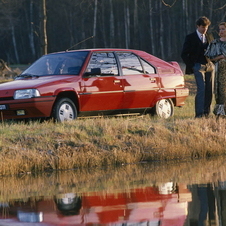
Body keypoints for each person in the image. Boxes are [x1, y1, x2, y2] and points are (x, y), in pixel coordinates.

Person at [181, 16, 214, 118]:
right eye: (203, 27)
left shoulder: (209, 36)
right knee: (201, 89)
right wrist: (192, 65)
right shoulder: (190, 37)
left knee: (209, 90)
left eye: (206, 27)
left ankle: (206, 113)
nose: (205, 29)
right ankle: (199, 114)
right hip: (198, 66)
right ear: (198, 26)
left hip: (209, 66)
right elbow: (184, 54)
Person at [205, 22, 226, 117]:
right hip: (220, 71)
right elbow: (209, 57)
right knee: (220, 91)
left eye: (223, 29)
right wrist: (220, 57)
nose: (221, 31)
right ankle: (220, 112)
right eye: (220, 29)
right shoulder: (215, 43)